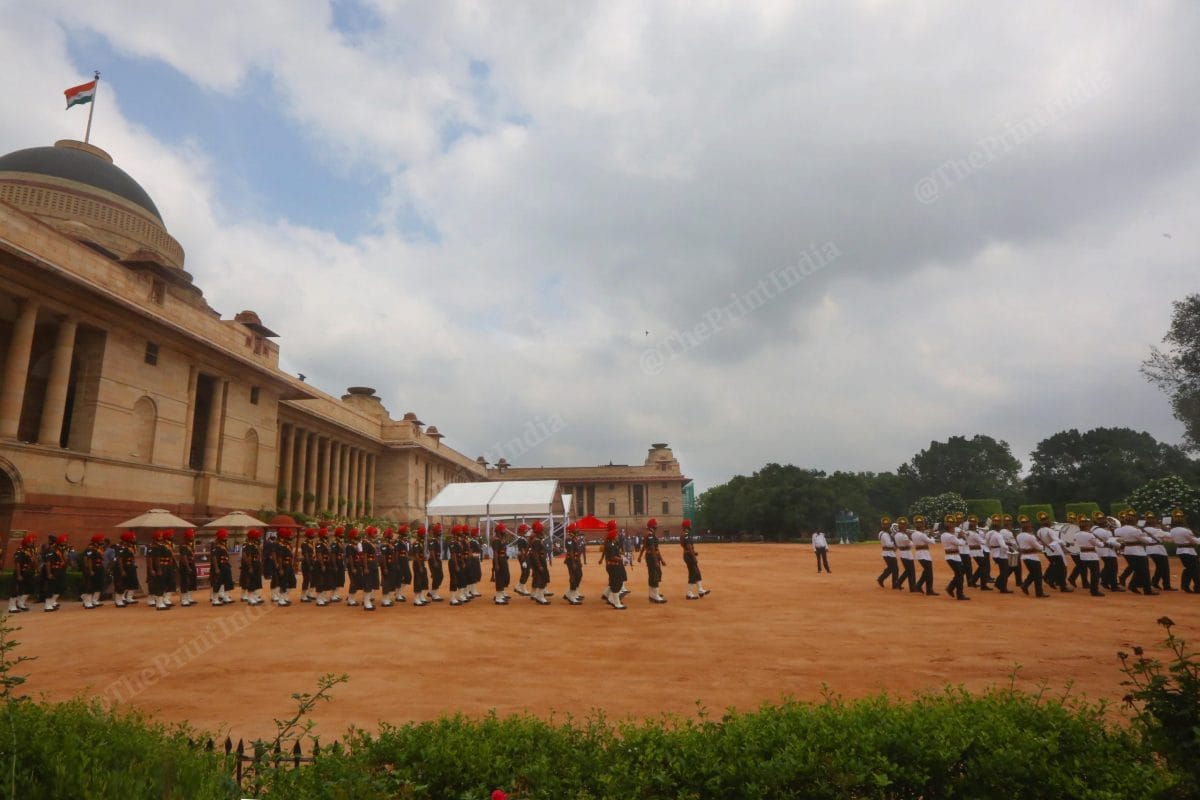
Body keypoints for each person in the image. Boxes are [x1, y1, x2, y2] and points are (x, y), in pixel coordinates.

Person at [1115, 511, 1157, 595]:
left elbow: (1118, 539)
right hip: (1138, 551)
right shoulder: (1135, 530)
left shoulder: (1119, 530)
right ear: (1134, 520)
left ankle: (1133, 585)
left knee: (1138, 570)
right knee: (1144, 571)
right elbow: (1145, 541)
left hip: (1127, 551)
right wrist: (1149, 538)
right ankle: (1147, 589)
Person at [1015, 516, 1049, 598]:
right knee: (1038, 575)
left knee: (1033, 574)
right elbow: (1040, 548)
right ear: (1028, 527)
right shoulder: (1030, 537)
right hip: (1033, 558)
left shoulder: (1019, 536)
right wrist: (1041, 543)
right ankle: (1039, 592)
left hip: (1025, 557)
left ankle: (1025, 585)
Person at [637, 518, 667, 603]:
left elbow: (645, 547)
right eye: (655, 525)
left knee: (653, 575)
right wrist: (656, 561)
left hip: (652, 556)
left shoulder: (649, 534)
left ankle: (652, 594)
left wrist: (661, 559)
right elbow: (653, 549)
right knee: (655, 575)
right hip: (652, 557)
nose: (656, 527)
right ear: (652, 527)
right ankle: (655, 596)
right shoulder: (650, 535)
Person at [1168, 509, 1198, 593]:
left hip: (1181, 551)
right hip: (1189, 551)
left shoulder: (1172, 530)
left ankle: (1185, 585)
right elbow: (1194, 541)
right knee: (1195, 569)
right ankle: (1197, 587)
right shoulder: (1185, 530)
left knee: (1188, 568)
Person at [939, 517, 968, 600]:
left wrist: (958, 536)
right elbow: (961, 543)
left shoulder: (944, 535)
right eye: (953, 527)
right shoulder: (951, 536)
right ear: (950, 527)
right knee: (960, 576)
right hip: (954, 557)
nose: (954, 528)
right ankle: (959, 594)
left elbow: (954, 540)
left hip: (950, 557)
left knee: (959, 574)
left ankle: (951, 588)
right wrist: (963, 536)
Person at [1074, 517, 1105, 596]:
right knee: (1095, 574)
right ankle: (1094, 590)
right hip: (1091, 556)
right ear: (1087, 526)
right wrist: (1102, 542)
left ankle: (1091, 588)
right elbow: (1099, 545)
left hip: (1082, 555)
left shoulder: (1076, 534)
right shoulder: (1089, 535)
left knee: (1089, 572)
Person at [1143, 513, 1174, 591]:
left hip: (1150, 549)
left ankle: (1155, 582)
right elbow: (1169, 535)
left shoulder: (1144, 529)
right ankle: (1165, 585)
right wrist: (1165, 528)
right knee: (1164, 568)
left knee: (1160, 567)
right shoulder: (1155, 530)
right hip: (1158, 550)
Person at [680, 519, 709, 599]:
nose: (691, 526)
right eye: (690, 524)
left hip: (688, 554)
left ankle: (700, 590)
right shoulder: (686, 534)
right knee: (693, 573)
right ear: (687, 526)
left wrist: (694, 552)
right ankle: (689, 594)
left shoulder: (683, 534)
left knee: (696, 572)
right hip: (689, 556)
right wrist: (693, 556)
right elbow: (689, 547)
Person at [7, 534, 36, 613]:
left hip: (28, 572)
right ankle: (12, 607)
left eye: (32, 542)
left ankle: (20, 603)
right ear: (26, 542)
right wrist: (19, 574)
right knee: (15, 590)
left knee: (29, 588)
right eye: (30, 542)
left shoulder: (30, 550)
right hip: (20, 572)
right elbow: (17, 563)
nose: (32, 543)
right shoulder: (20, 551)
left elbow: (32, 561)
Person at [601, 520, 627, 609]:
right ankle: (616, 602)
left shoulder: (612, 542)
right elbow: (611, 556)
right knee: (616, 583)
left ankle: (613, 599)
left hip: (615, 564)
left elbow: (617, 552)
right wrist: (622, 559)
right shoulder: (610, 544)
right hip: (613, 565)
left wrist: (622, 557)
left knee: (615, 582)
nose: (617, 535)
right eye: (616, 534)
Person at [910, 516, 937, 596]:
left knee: (926, 572)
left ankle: (918, 585)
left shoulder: (914, 534)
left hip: (920, 554)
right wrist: (932, 535)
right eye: (921, 523)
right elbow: (932, 542)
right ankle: (929, 590)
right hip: (924, 555)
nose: (922, 525)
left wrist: (927, 534)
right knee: (929, 573)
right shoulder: (922, 534)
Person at [40, 535, 68, 612]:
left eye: (65, 542)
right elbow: (48, 562)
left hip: (60, 570)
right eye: (63, 541)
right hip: (53, 570)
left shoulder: (60, 549)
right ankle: (47, 605)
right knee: (51, 588)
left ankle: (52, 602)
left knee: (62, 586)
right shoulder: (51, 550)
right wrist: (49, 573)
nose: (64, 543)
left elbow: (64, 559)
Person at [985, 516, 1012, 594]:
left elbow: (987, 543)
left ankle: (999, 585)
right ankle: (1003, 588)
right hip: (1000, 555)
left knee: (1003, 571)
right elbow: (1003, 546)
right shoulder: (998, 535)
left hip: (993, 553)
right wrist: (1009, 549)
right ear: (999, 526)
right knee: (1005, 572)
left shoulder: (989, 533)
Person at [114, 531, 141, 607]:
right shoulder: (120, 547)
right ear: (127, 539)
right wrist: (122, 570)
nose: (134, 539)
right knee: (120, 584)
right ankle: (118, 601)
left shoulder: (129, 547)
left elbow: (132, 557)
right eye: (132, 538)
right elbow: (119, 559)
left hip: (129, 567)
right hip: (122, 567)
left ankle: (125, 598)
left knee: (128, 583)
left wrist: (133, 565)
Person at [80, 533, 106, 609]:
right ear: (96, 541)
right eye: (101, 540)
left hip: (99, 568)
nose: (102, 541)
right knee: (90, 586)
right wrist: (90, 570)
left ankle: (94, 600)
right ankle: (87, 602)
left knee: (99, 585)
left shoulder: (99, 548)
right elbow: (89, 560)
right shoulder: (90, 548)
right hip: (93, 569)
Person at [528, 521, 551, 605]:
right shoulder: (536, 541)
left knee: (540, 578)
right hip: (539, 561)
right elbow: (535, 554)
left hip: (540, 561)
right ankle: (540, 597)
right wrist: (539, 565)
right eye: (541, 530)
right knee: (542, 578)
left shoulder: (536, 539)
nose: (543, 531)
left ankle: (539, 595)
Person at [965, 516, 990, 590]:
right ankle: (978, 582)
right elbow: (982, 542)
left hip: (973, 551)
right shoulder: (974, 534)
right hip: (977, 552)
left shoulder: (968, 532)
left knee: (982, 567)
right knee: (984, 567)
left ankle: (976, 581)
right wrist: (987, 538)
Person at [240, 529, 264, 605]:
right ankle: (250, 598)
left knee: (257, 581)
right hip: (252, 564)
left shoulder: (255, 545)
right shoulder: (248, 545)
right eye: (257, 536)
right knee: (251, 582)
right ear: (253, 537)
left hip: (256, 564)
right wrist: (250, 567)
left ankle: (254, 597)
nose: (258, 537)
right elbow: (248, 557)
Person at [563, 522, 585, 604]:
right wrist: (573, 563)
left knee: (579, 575)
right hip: (571, 561)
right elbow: (571, 552)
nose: (577, 529)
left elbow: (577, 552)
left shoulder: (574, 538)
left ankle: (570, 593)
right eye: (576, 528)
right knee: (573, 577)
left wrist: (579, 561)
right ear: (572, 530)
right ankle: (571, 597)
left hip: (575, 560)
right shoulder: (569, 539)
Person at [490, 522, 512, 605]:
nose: (504, 531)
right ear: (499, 531)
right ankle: (498, 598)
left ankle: (500, 595)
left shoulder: (500, 539)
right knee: (499, 578)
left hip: (503, 560)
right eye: (503, 530)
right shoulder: (496, 540)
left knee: (505, 577)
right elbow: (495, 553)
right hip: (499, 560)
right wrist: (496, 564)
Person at [358, 526, 379, 611]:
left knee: (372, 584)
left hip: (373, 565)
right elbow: (365, 555)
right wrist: (365, 567)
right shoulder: (365, 542)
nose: (375, 535)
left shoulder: (370, 542)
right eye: (374, 533)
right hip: (369, 566)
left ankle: (368, 602)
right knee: (368, 584)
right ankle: (366, 603)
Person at [893, 518, 916, 592]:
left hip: (902, 554)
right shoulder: (904, 536)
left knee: (908, 571)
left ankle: (899, 583)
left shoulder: (896, 535)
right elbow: (912, 544)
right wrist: (910, 538)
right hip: (907, 554)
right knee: (911, 571)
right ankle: (911, 587)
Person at [177, 529, 198, 606]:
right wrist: (188, 567)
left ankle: (189, 598)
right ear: (188, 537)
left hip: (191, 563)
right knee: (185, 582)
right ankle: (184, 600)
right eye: (192, 536)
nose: (193, 537)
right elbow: (184, 557)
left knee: (192, 581)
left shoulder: (190, 544)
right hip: (185, 565)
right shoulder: (183, 545)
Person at [876, 516, 898, 588]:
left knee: (890, 568)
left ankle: (881, 579)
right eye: (885, 524)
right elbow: (889, 544)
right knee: (895, 569)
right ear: (882, 525)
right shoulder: (885, 534)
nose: (886, 526)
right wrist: (895, 544)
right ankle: (895, 584)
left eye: (887, 524)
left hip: (887, 553)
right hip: (889, 553)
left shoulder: (882, 533)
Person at [411, 525, 430, 606]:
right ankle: (416, 599)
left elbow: (420, 555)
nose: (425, 536)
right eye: (424, 534)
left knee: (423, 580)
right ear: (421, 535)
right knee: (418, 581)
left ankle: (421, 597)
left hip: (421, 563)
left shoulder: (421, 543)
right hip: (417, 564)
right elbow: (416, 556)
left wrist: (424, 557)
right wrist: (420, 566)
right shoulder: (416, 543)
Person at [427, 523, 445, 602]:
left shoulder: (436, 540)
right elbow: (431, 552)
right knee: (437, 577)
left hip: (437, 559)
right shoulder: (432, 541)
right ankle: (434, 595)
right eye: (439, 531)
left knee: (440, 576)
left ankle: (432, 592)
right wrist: (434, 562)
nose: (440, 533)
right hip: (433, 560)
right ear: (435, 532)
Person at [299, 528, 318, 603]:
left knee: (313, 579)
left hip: (312, 562)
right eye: (312, 534)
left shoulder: (312, 543)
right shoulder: (304, 544)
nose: (313, 535)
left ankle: (309, 594)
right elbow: (306, 555)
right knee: (306, 579)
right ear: (309, 535)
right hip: (306, 563)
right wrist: (309, 564)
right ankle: (303, 596)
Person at [514, 524, 532, 597]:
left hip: (525, 556)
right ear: (523, 531)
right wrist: (524, 561)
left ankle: (520, 587)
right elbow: (522, 551)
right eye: (526, 530)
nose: (527, 531)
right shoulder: (521, 539)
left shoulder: (524, 539)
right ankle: (520, 587)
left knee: (526, 572)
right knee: (525, 572)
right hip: (523, 557)